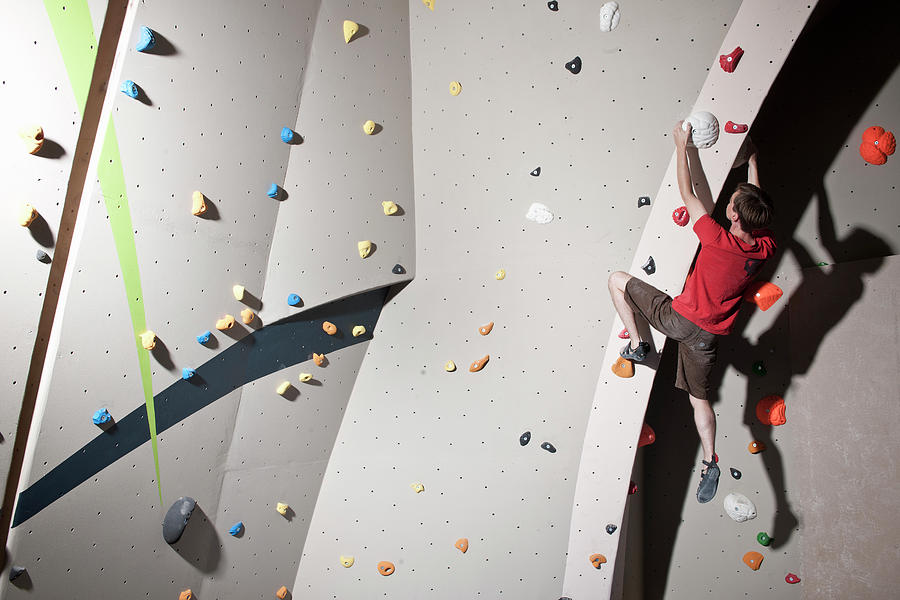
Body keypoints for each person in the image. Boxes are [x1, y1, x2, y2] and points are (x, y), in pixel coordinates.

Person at [607, 121, 776, 503]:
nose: (728, 203)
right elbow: (755, 205)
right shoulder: (763, 249)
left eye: (731, 203)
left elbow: (687, 192)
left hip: (678, 320)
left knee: (617, 279)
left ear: (733, 217)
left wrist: (682, 146)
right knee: (700, 401)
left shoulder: (717, 239)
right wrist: (752, 162)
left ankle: (637, 345)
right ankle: (710, 460)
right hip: (707, 339)